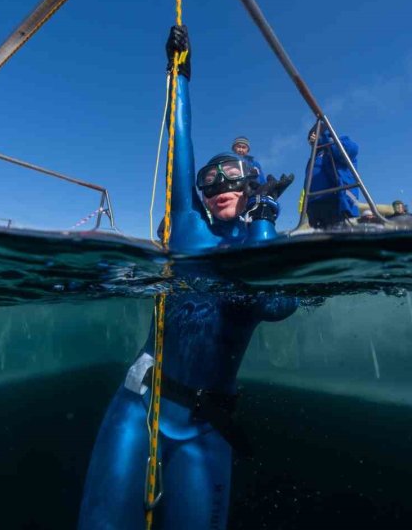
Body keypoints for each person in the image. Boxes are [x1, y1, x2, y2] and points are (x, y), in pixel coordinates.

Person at [78, 26, 298, 530]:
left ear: (253, 186)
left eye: (232, 178)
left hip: (208, 423)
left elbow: (276, 303)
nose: (219, 184)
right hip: (142, 403)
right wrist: (180, 76)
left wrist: (264, 221)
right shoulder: (187, 225)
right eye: (211, 179)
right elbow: (181, 147)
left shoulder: (263, 244)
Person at [303, 123, 360, 229]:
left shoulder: (339, 143)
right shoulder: (314, 157)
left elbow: (351, 150)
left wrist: (325, 138)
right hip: (315, 205)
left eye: (313, 135)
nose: (311, 139)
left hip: (337, 200)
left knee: (339, 237)